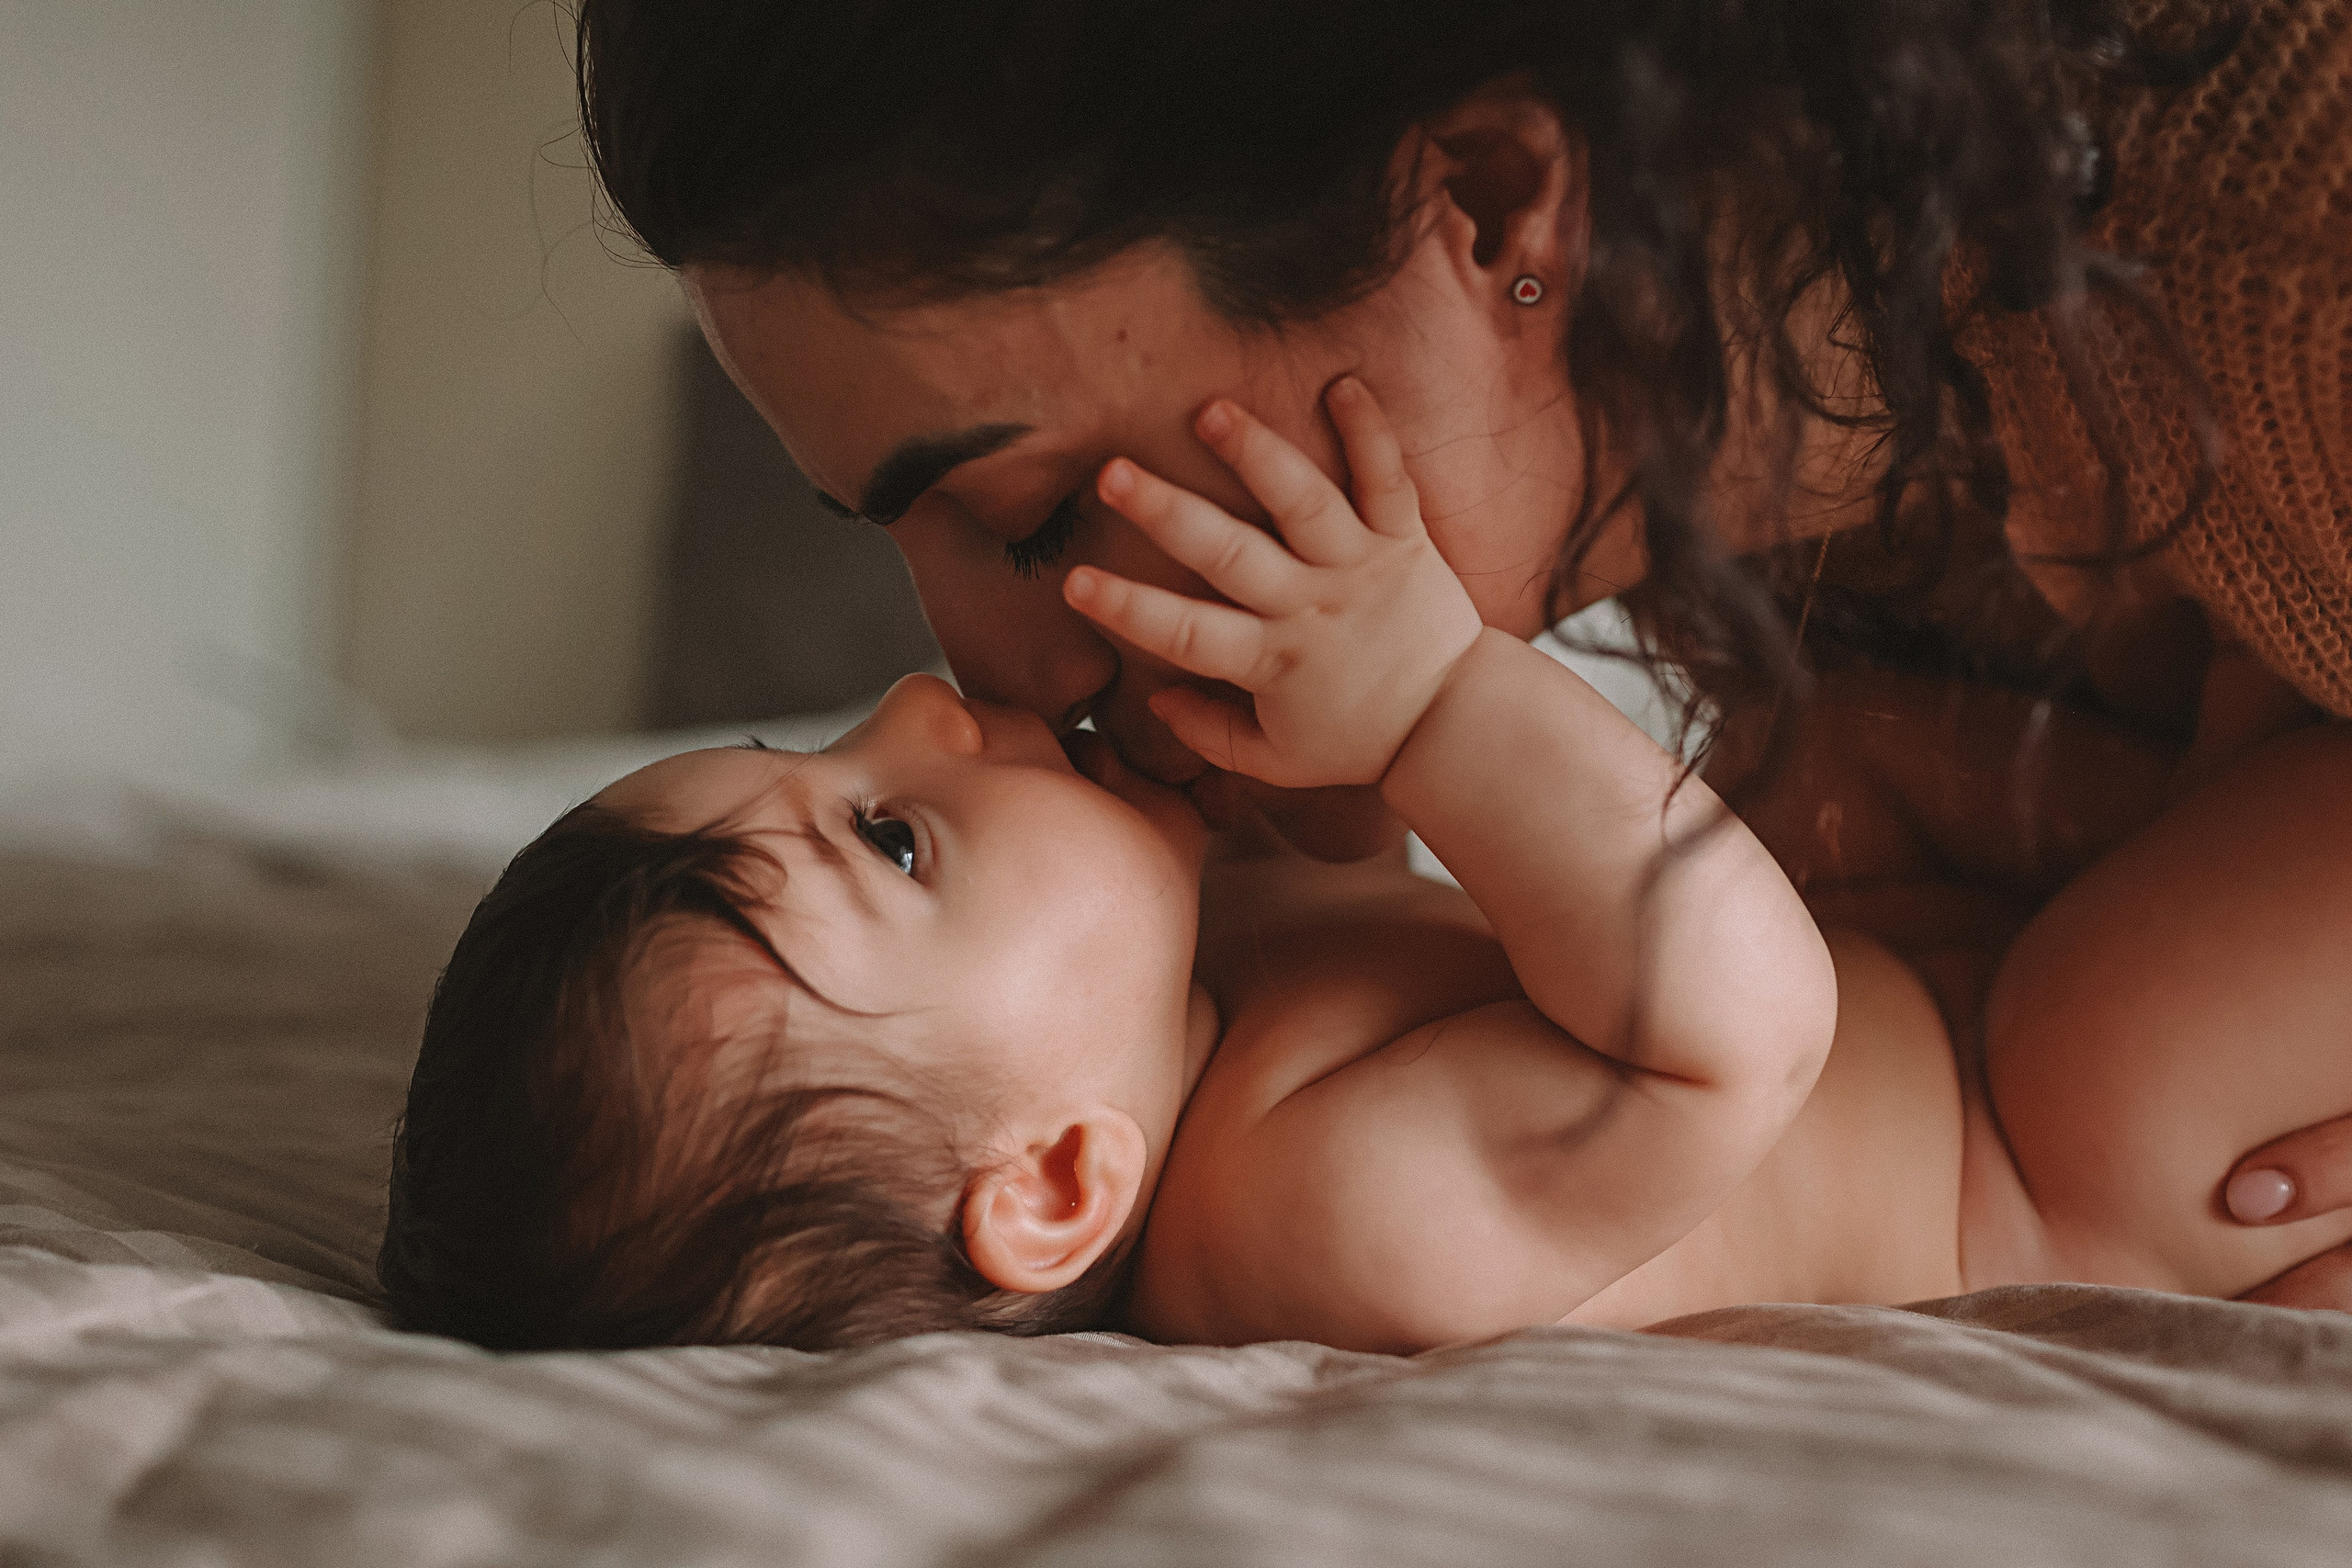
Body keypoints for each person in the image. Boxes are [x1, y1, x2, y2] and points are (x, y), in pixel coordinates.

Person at [570, 1, 2352, 1299]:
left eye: (1033, 514)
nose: (962, 676)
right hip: (2043, 1105)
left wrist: (1419, 711)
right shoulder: (1292, 1185)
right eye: (881, 828)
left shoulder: (2284, 264)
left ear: (1492, 208)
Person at [378, 388, 2352, 1352]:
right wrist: (1428, 699)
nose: (910, 699)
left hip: (1950, 957)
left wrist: (1312, 795)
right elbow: (1734, 1031)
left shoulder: (1179, 1005)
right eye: (886, 830)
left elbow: (1411, 912)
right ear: (1057, 1182)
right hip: (2052, 1132)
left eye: (818, 748)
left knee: (2194, 636)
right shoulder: (1318, 1213)